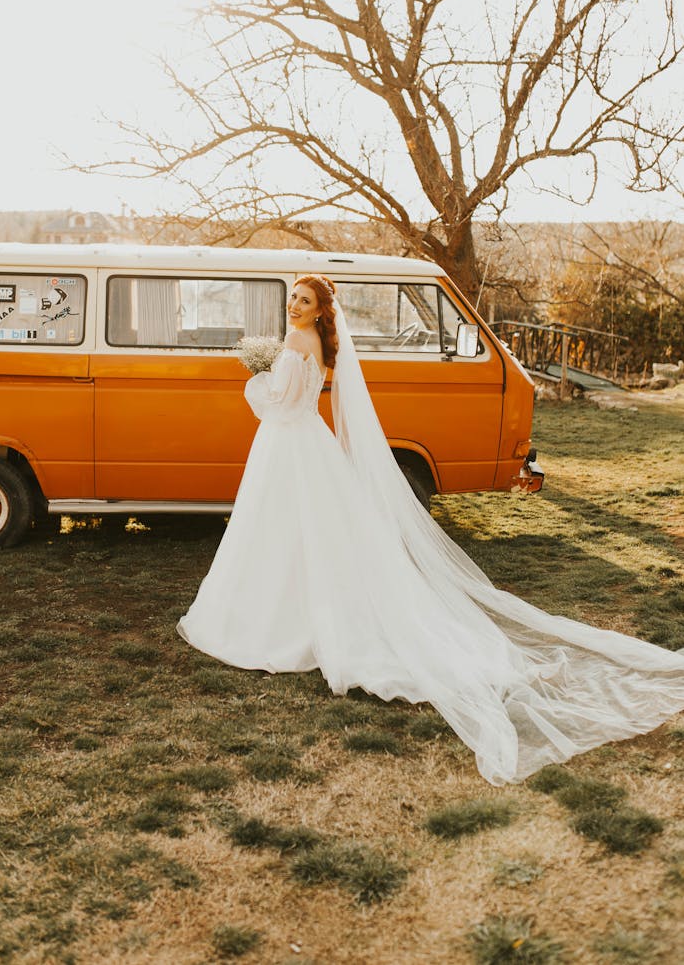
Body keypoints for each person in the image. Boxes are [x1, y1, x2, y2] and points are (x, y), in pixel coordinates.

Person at [177, 274, 684, 785]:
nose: (293, 306)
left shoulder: (293, 340)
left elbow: (281, 402)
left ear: (318, 310)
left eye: (303, 301)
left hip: (287, 443)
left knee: (281, 531)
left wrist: (256, 380)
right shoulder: (324, 346)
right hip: (312, 442)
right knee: (317, 533)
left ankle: (276, 618)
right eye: (293, 298)